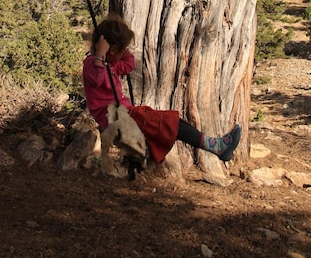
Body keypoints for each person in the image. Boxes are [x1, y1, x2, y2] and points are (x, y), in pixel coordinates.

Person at [83, 14, 241, 165]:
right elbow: (96, 79)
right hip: (115, 118)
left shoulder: (111, 64)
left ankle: (215, 145)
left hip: (126, 114)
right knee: (169, 123)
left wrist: (121, 51)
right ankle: (216, 147)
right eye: (123, 49)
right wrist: (100, 55)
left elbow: (129, 64)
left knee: (173, 121)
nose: (125, 52)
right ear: (111, 50)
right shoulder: (92, 64)